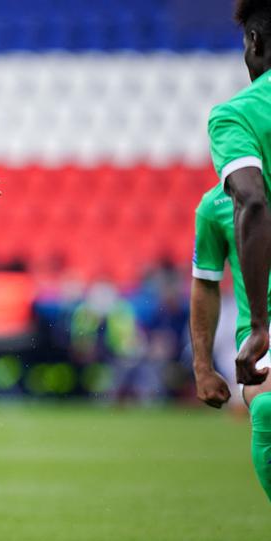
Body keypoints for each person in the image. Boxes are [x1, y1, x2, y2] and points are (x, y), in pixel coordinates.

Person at [204, 0, 271, 500]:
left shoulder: (238, 115)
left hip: (266, 314)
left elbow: (250, 198)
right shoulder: (210, 210)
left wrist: (262, 324)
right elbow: (202, 281)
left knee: (266, 408)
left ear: (255, 43)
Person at [190, 183, 271, 500]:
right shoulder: (215, 205)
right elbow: (205, 282)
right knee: (266, 408)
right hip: (262, 328)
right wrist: (202, 365)